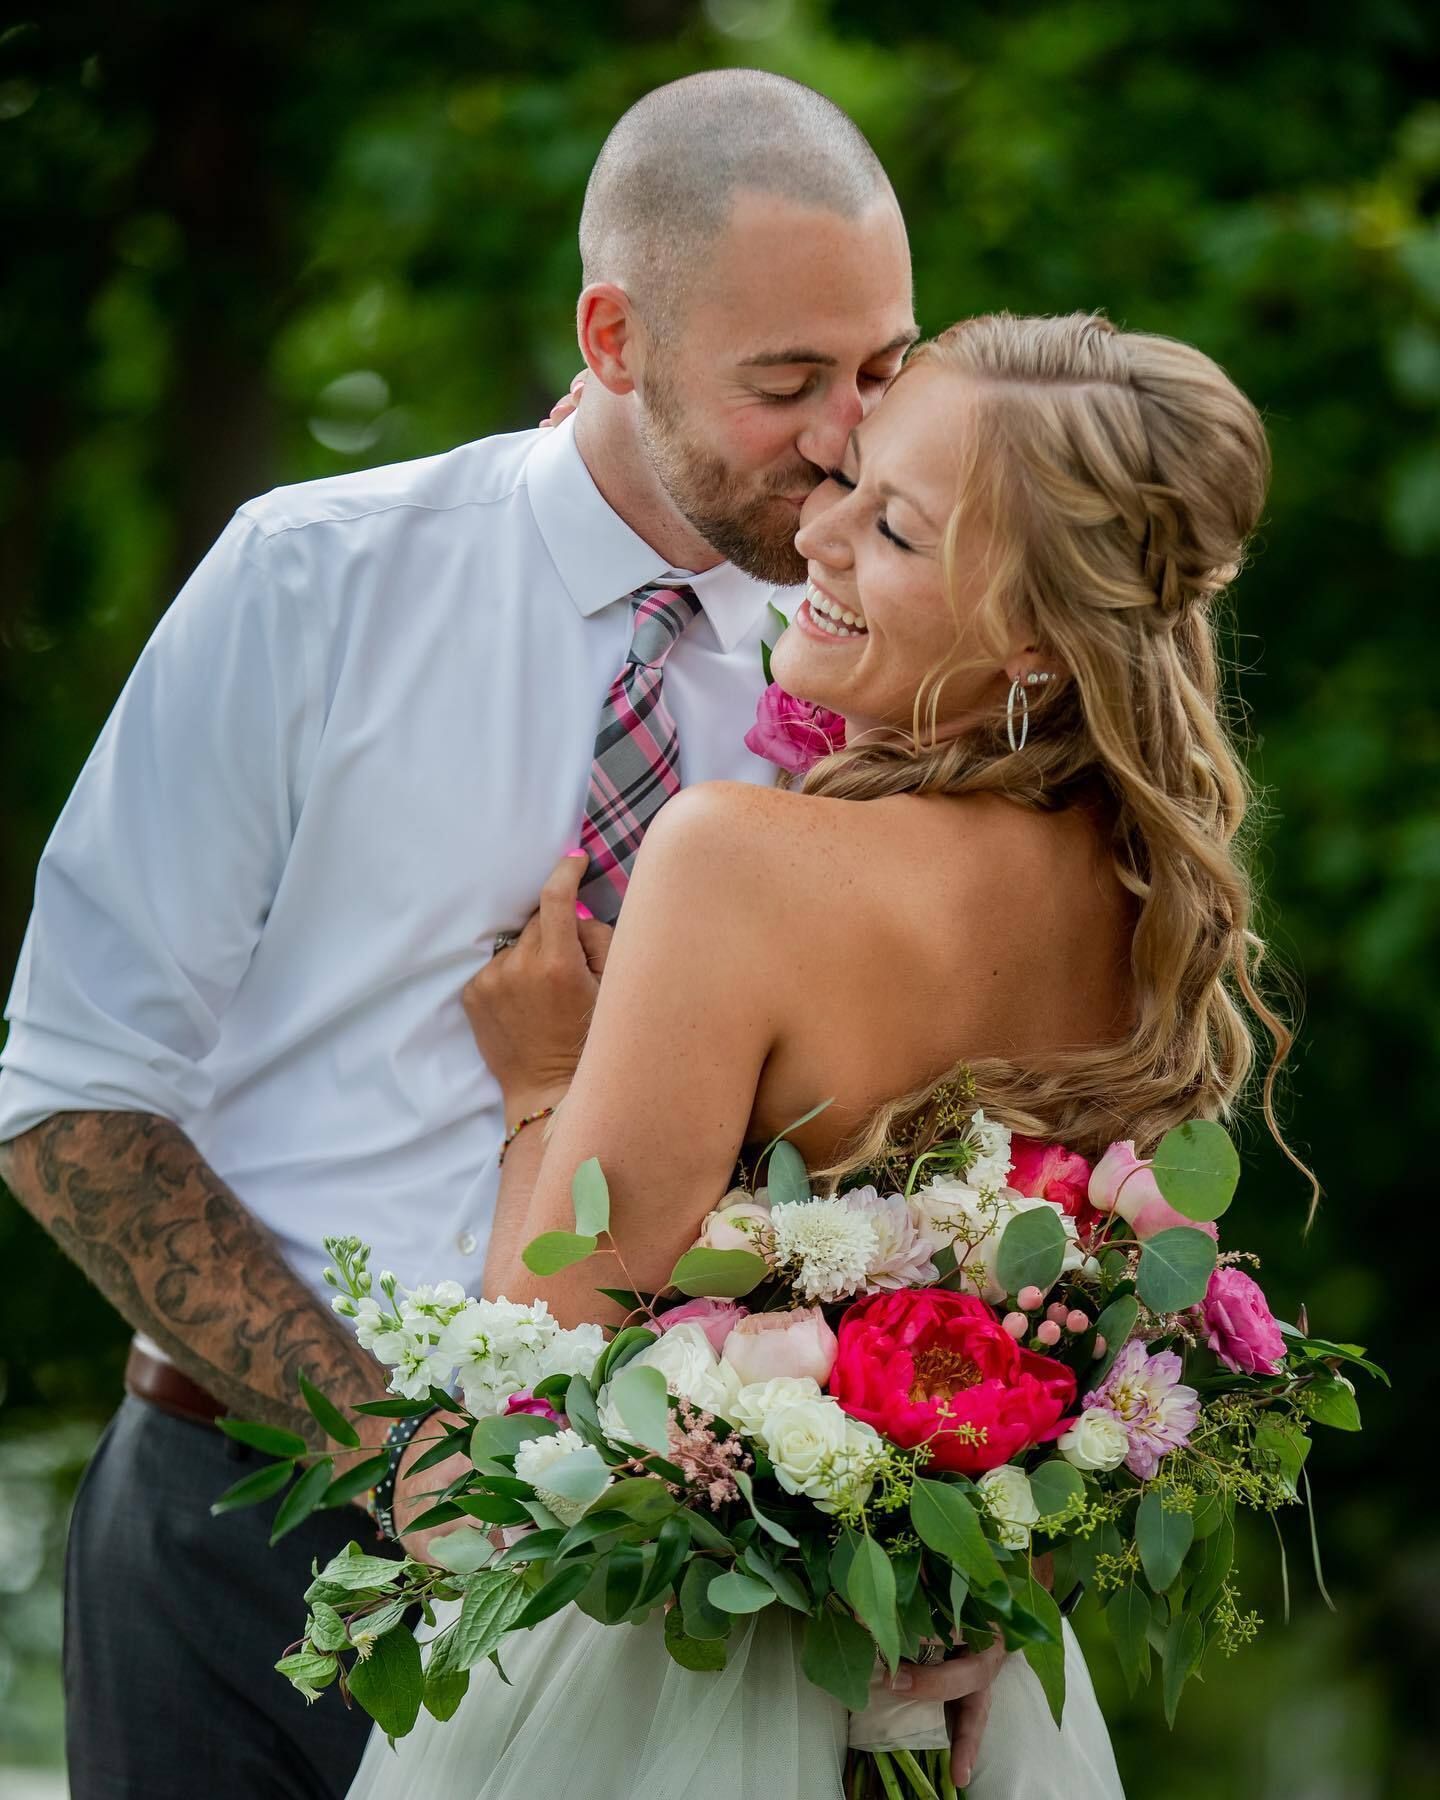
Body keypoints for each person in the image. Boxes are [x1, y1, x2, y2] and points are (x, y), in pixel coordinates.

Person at [0, 70, 1013, 1800]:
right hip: (243, 1544)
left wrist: (923, 1546)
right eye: (783, 383)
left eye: (879, 367)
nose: (847, 432)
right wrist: (413, 1459)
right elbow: (70, 1105)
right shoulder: (309, 582)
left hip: (684, 1605)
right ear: (613, 337)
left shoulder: (886, 661)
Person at [344, 307, 1281, 1799]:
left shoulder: (736, 863)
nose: (815, 538)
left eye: (895, 529)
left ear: (1036, 633)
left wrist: (540, 1086)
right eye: (845, 478)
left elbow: (492, 1454)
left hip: (670, 1695)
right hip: (967, 1684)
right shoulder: (1141, 915)